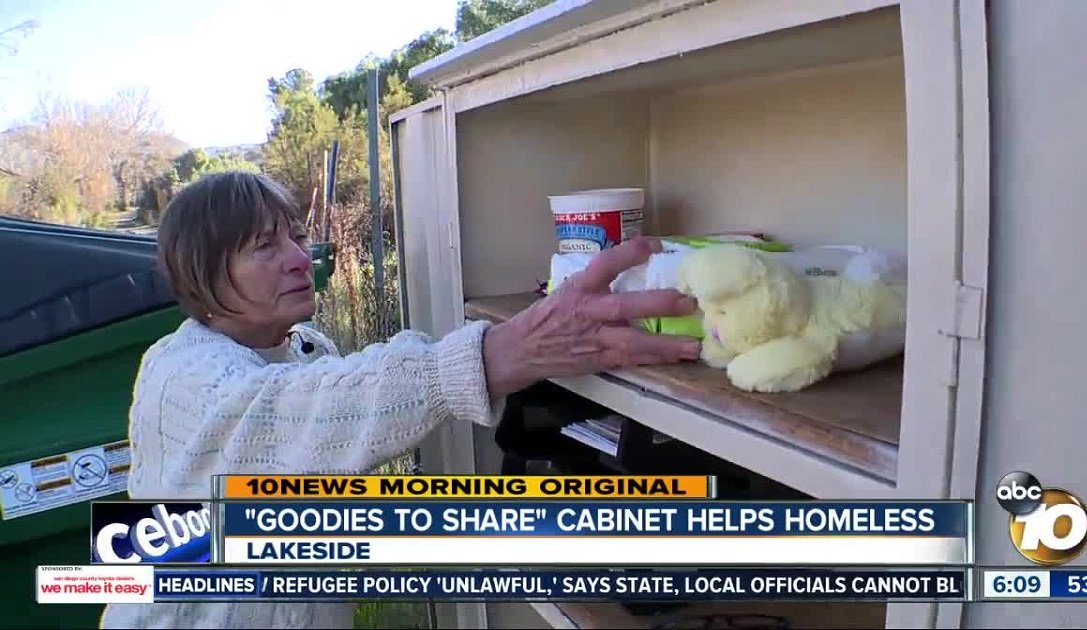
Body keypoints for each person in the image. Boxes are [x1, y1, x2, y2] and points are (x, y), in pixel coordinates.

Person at [98, 171, 700, 629]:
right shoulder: (181, 376)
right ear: (198, 273)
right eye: (262, 246)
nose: (298, 258)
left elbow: (342, 418)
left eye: (298, 237)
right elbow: (296, 417)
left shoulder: (303, 346)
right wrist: (503, 352)